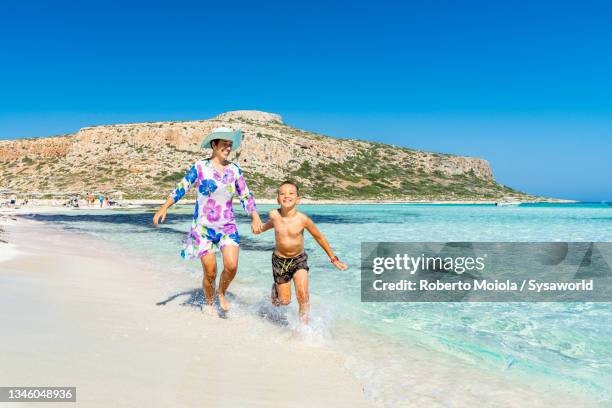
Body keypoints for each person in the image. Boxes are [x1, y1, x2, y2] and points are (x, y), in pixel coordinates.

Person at [153, 127, 262, 312]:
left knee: (232, 266)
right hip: (203, 229)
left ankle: (221, 292)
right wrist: (164, 207)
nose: (228, 148)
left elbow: (245, 195)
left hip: (227, 227)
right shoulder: (200, 167)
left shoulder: (235, 170)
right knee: (210, 272)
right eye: (224, 144)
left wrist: (255, 216)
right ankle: (210, 303)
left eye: (230, 144)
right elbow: (183, 186)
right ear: (214, 144)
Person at [255, 181, 347, 323]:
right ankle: (276, 290)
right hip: (280, 262)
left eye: (291, 193)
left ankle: (304, 328)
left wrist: (333, 259)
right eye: (282, 193)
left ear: (298, 199)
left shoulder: (303, 219)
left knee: (303, 295)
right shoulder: (274, 215)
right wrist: (257, 228)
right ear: (277, 199)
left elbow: (319, 237)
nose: (286, 196)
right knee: (284, 301)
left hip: (299, 259)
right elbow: (264, 227)